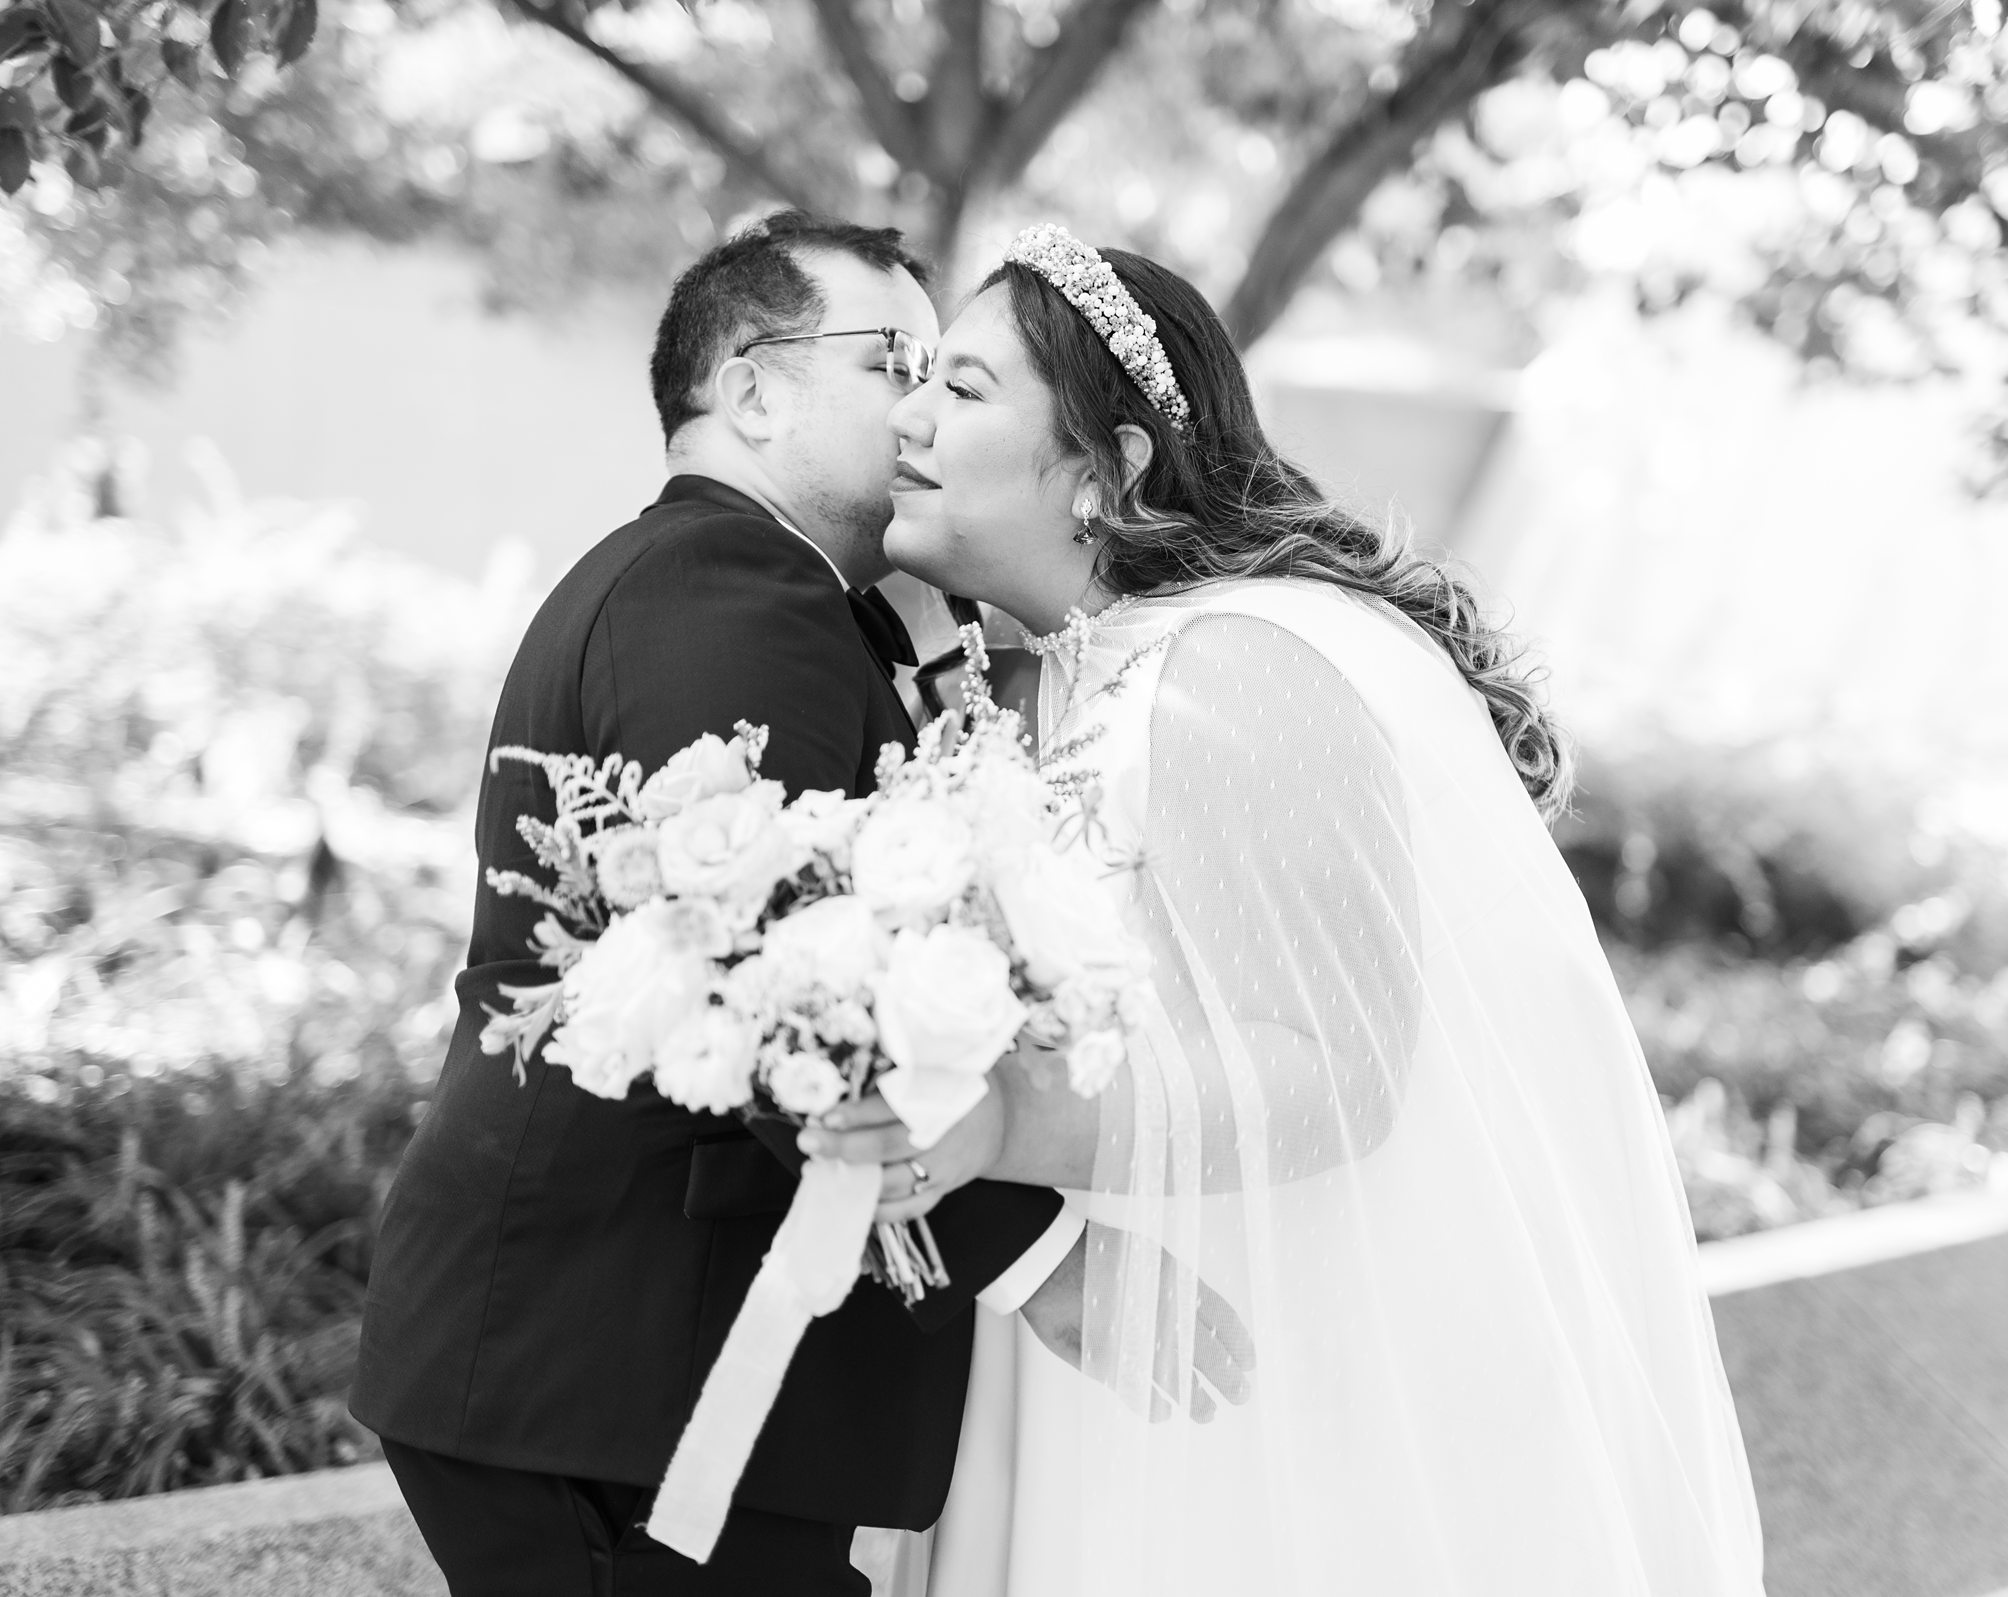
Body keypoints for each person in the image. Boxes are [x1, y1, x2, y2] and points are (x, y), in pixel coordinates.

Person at [813, 223, 1768, 1594]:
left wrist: (1011, 1120)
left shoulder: (1235, 670)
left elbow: (1337, 1060)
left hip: (1237, 1388)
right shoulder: (1058, 683)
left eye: (962, 389)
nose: (907, 415)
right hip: (1083, 1349)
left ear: (1106, 467)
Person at [347, 211, 1083, 1596]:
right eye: (895, 363)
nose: (926, 407)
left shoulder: (744, 589)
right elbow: (764, 976)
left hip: (619, 1380)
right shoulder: (728, 590)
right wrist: (1034, 1252)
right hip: (614, 1383)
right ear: (751, 388)